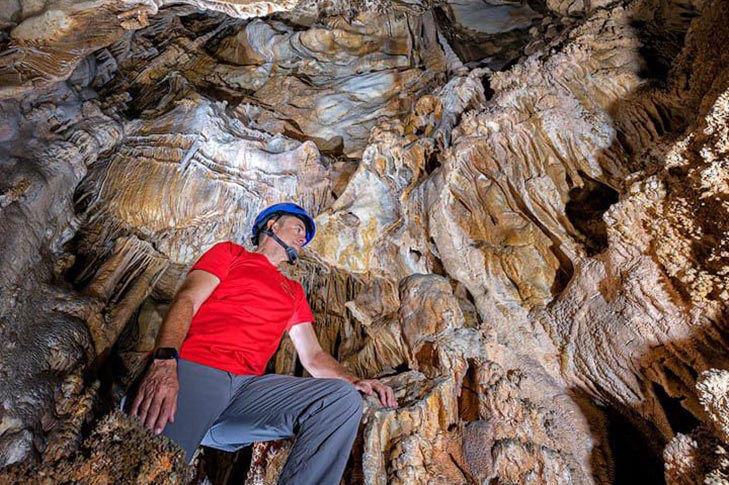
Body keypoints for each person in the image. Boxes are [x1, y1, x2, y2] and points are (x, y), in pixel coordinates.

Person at [129, 202, 398, 484]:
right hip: (198, 370)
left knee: (339, 400)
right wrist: (164, 361)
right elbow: (187, 299)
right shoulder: (231, 254)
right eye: (298, 228)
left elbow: (314, 356)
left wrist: (354, 381)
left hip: (245, 391)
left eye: (304, 235)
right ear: (272, 226)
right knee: (153, 466)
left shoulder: (293, 291)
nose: (302, 238)